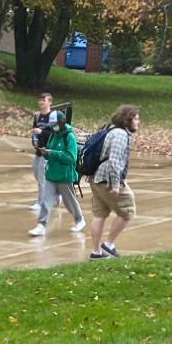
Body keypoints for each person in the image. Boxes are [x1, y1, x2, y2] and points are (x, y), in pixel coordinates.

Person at [87, 104, 139, 260]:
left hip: (97, 178)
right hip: (107, 179)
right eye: (135, 119)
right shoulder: (120, 135)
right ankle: (108, 245)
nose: (138, 122)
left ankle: (96, 253)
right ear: (127, 120)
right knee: (127, 210)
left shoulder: (111, 130)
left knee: (100, 214)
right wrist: (116, 185)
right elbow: (114, 162)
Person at [29, 111, 85, 237]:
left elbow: (71, 157)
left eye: (54, 124)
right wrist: (46, 153)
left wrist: (52, 153)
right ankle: (41, 225)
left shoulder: (69, 137)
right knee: (46, 200)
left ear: (61, 123)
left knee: (69, 201)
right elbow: (50, 150)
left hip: (64, 176)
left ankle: (79, 219)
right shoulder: (53, 135)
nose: (52, 126)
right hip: (51, 174)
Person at [28, 92, 54, 214]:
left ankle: (41, 203)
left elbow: (55, 134)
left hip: (47, 151)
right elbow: (34, 131)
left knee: (42, 178)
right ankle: (55, 194)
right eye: (40, 100)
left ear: (50, 102)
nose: (41, 102)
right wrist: (34, 140)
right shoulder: (37, 116)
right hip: (38, 151)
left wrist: (41, 132)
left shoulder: (54, 117)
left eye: (44, 100)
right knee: (37, 174)